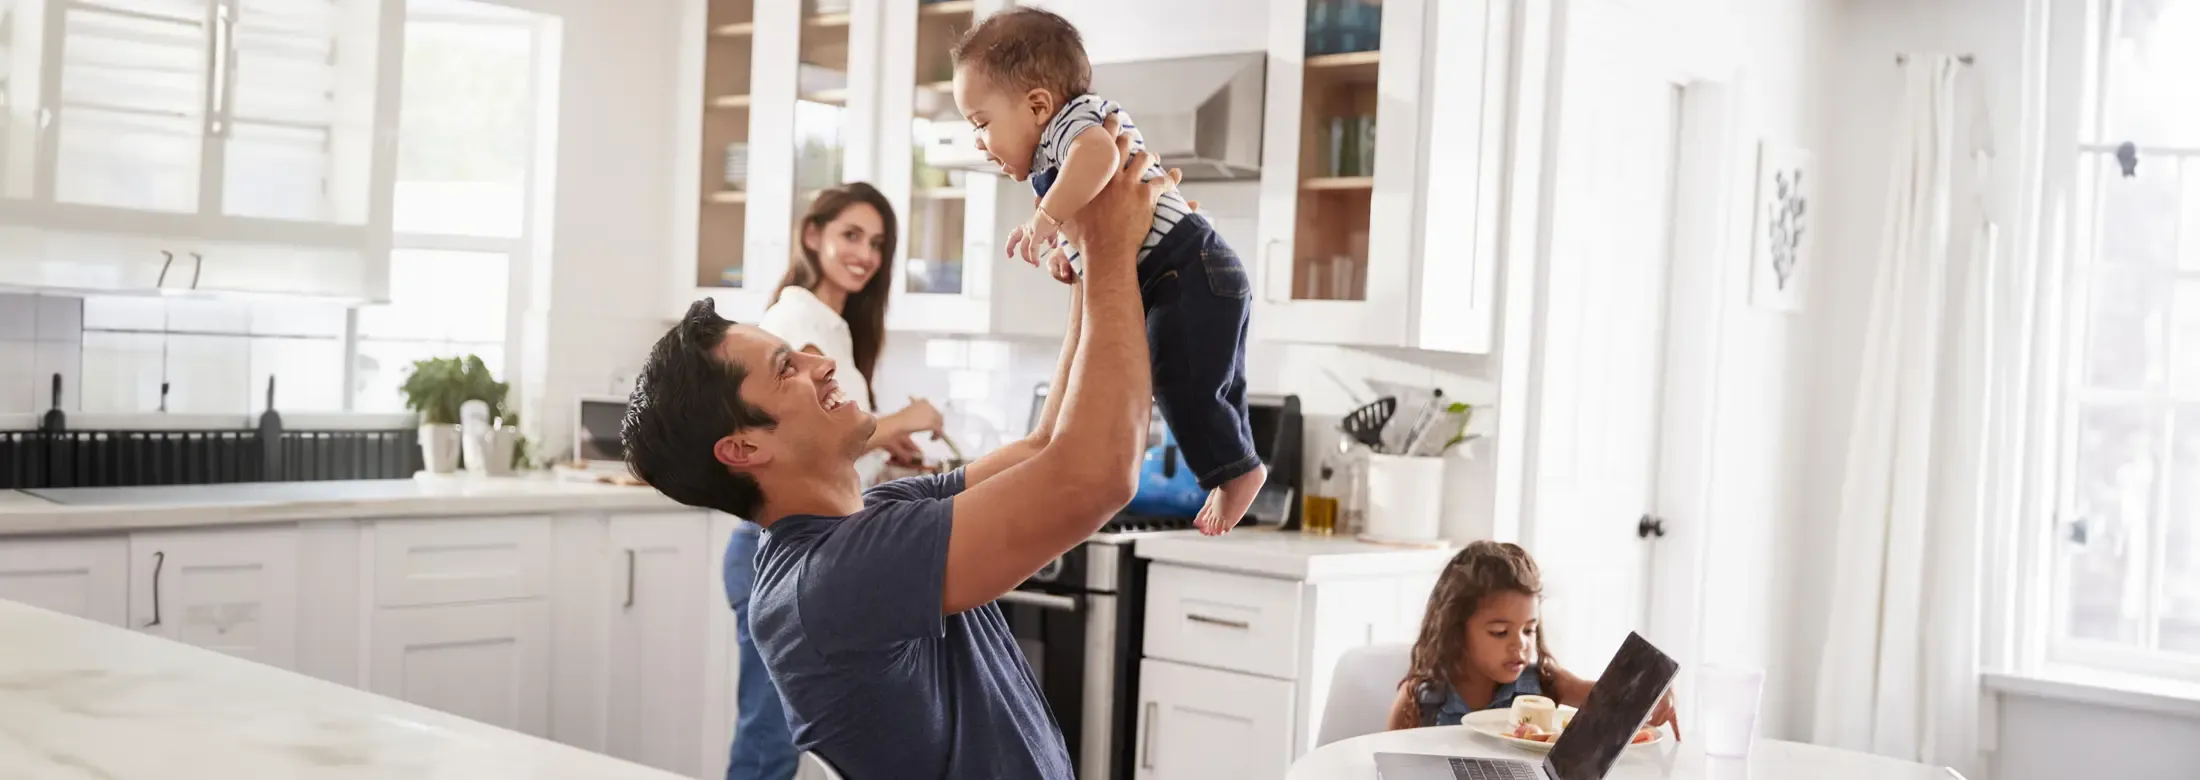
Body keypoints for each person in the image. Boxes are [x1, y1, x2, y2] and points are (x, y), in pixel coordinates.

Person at [623, 116, 1171, 779]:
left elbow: (1044, 447)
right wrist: (1113, 253)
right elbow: (1098, 476)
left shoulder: (866, 520)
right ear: (742, 449)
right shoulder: (835, 577)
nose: (818, 363)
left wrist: (1088, 258)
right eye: (786, 369)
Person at [949, 7, 1265, 536]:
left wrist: (1046, 219)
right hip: (1196, 271)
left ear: (1037, 104)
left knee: (1181, 378)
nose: (978, 142)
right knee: (1216, 386)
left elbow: (1098, 158)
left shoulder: (1075, 125)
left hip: (1185, 265)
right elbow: (1099, 222)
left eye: (981, 123)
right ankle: (1237, 465)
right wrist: (1066, 252)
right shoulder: (1055, 153)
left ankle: (1234, 472)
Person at [718, 182, 946, 780]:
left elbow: (826, 441)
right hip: (774, 548)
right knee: (770, 740)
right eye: (851, 235)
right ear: (813, 235)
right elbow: (821, 437)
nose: (865, 254)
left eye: (877, 243)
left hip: (813, 549)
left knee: (799, 742)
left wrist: (889, 450)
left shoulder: (835, 326)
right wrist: (911, 418)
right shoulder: (797, 317)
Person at [1385, 541, 1683, 738]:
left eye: (1529, 630)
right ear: (1456, 631)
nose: (1520, 645)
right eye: (1500, 632)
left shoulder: (1543, 682)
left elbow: (1605, 695)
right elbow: (1387, 765)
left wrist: (1653, 693)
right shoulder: (1419, 698)